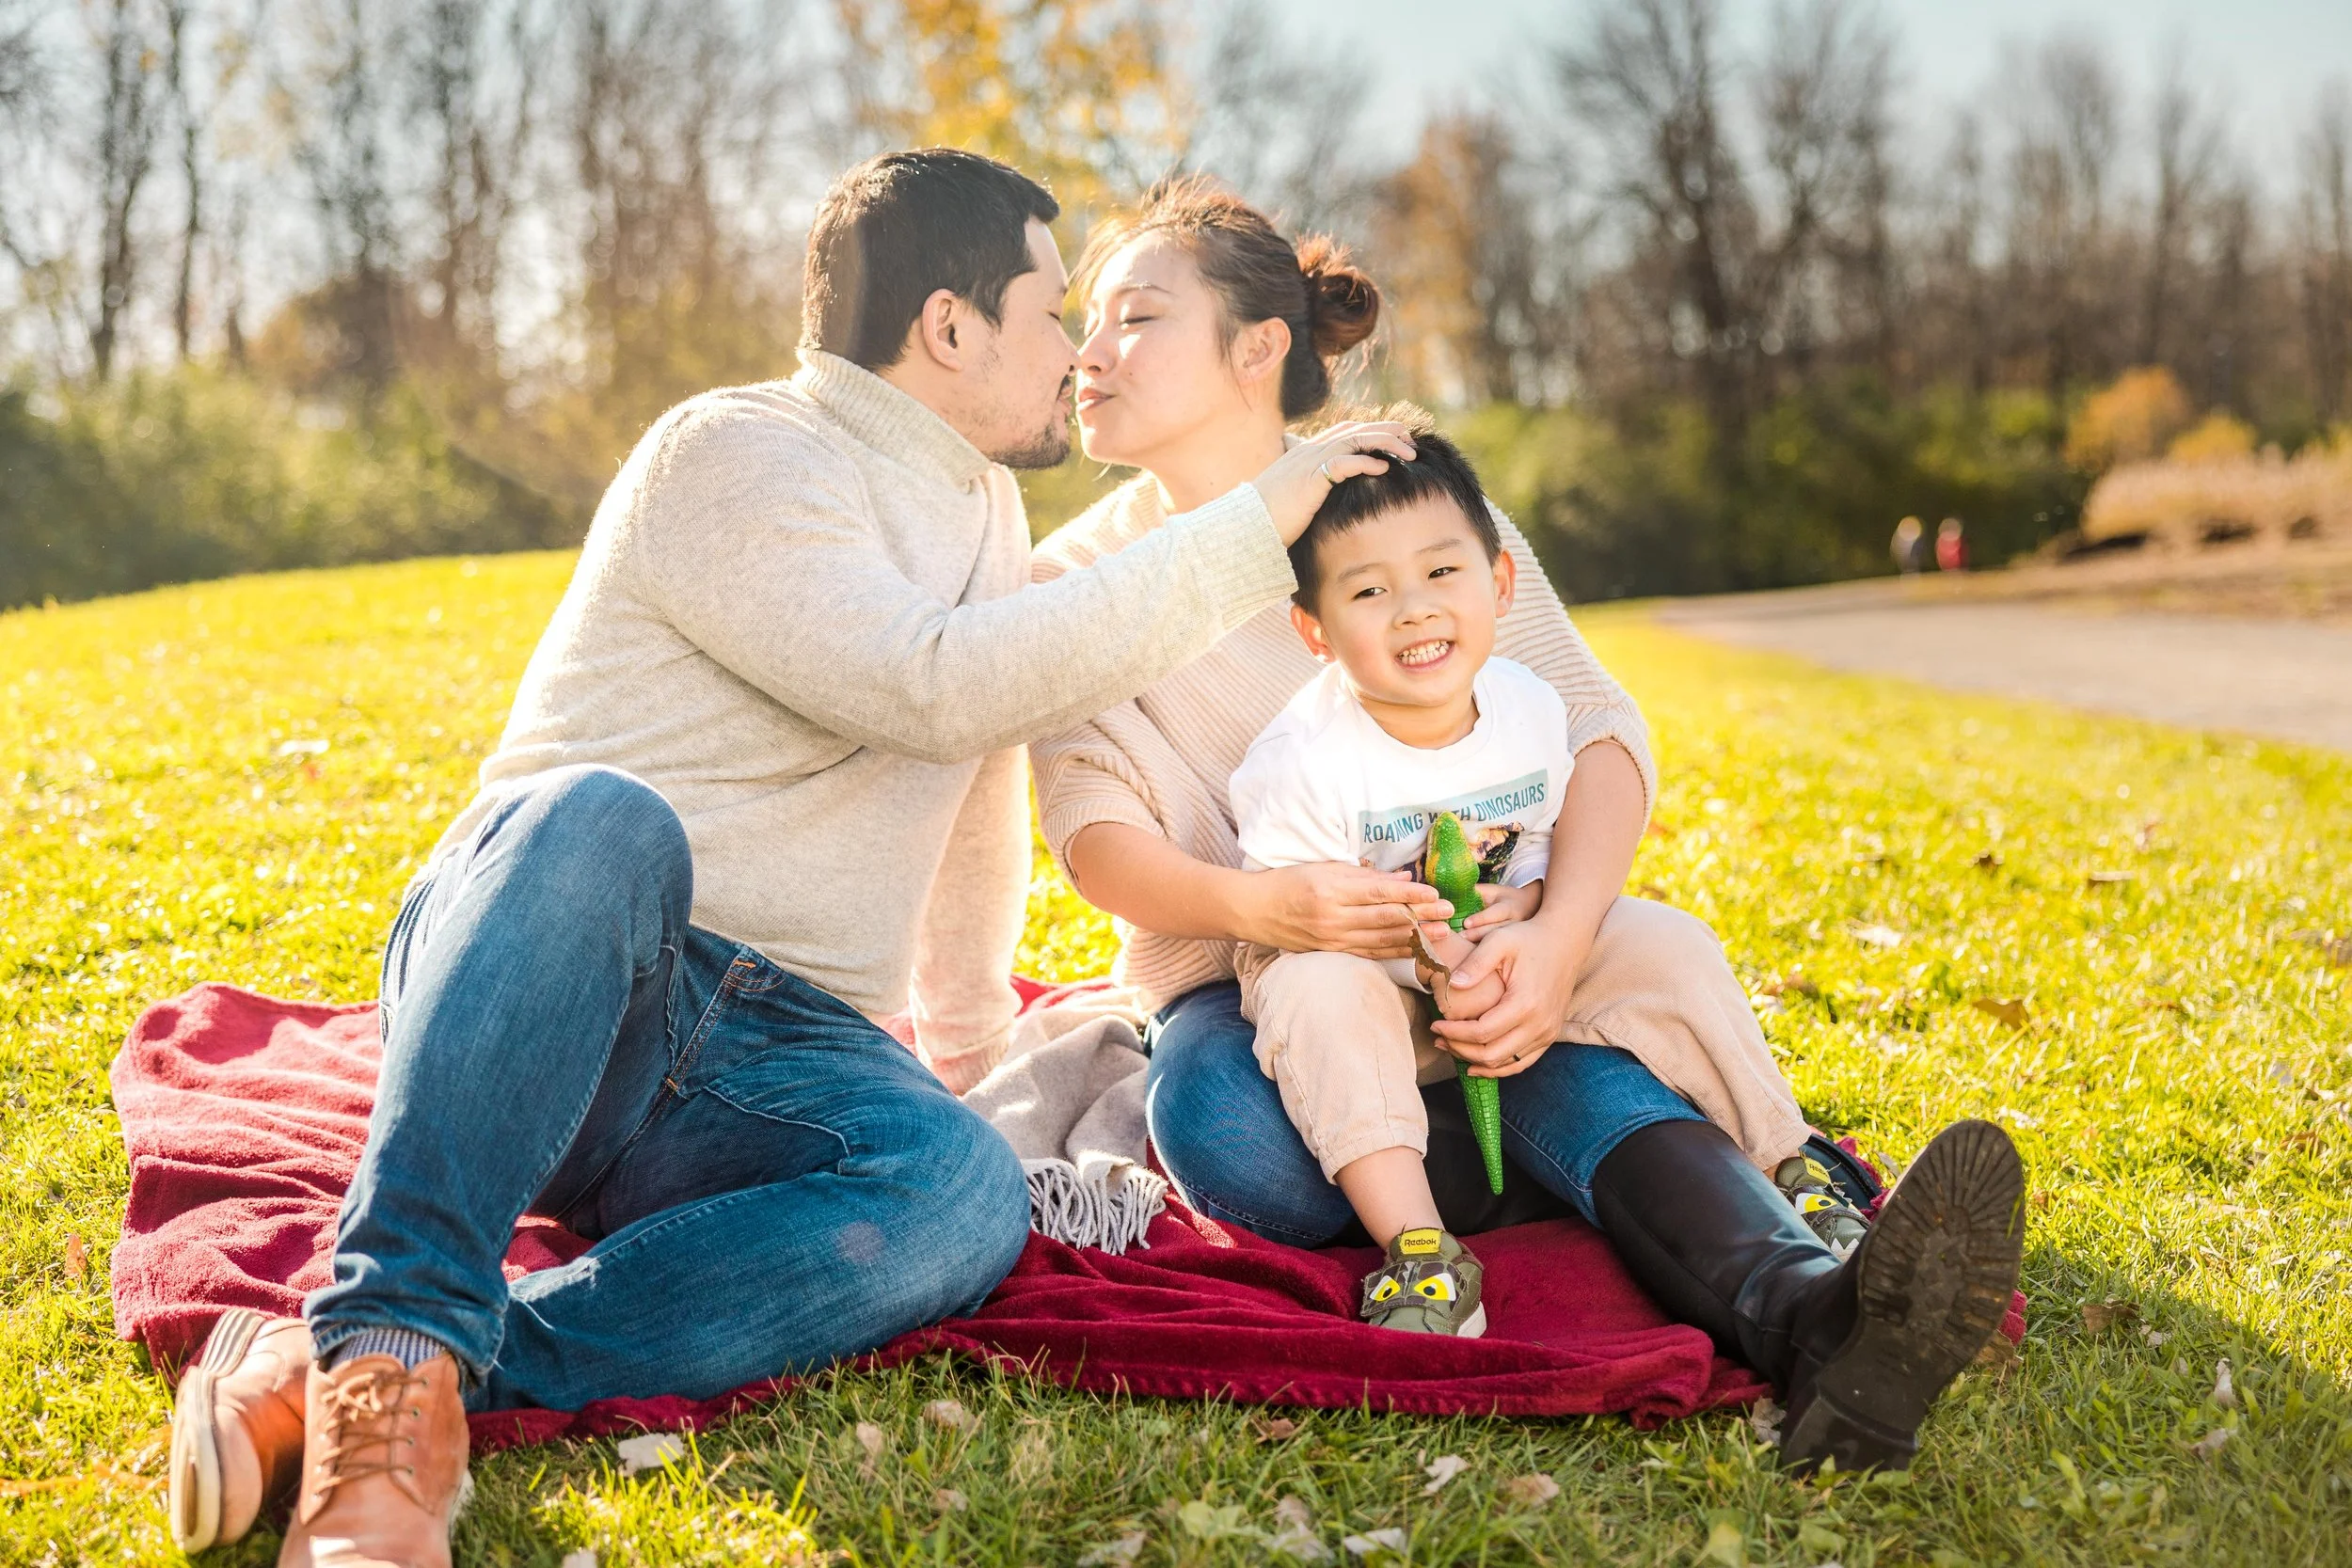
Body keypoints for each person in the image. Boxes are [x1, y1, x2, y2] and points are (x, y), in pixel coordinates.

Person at [165, 149, 1417, 1568]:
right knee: (601, 815)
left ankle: (406, 1367)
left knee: (959, 1187)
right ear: (951, 328)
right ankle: (385, 1361)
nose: (1075, 350)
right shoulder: (736, 450)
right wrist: (1263, 522)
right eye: (1051, 309)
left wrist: (960, 1053)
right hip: (569, 981)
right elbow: (929, 683)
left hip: (776, 1057)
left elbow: (971, 774)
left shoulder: (988, 514)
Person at [1033, 177, 2025, 1472]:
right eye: (1083, 324)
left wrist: (1555, 943)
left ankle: (1808, 1309)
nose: (1085, 354)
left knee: (1541, 1011)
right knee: (1222, 1128)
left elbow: (1600, 734)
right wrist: (1264, 907)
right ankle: (1601, 1134)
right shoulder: (1070, 580)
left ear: (1258, 349)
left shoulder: (1408, 492)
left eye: (1134, 318)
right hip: (1263, 974)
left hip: (1493, 940)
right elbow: (1093, 832)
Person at [1229, 427, 1571, 1336]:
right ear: (1315, 630)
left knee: (1661, 938)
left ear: (1499, 583)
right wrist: (1426, 962)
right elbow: (1293, 926)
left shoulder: (1532, 710)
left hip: (1502, 982)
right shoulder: (1303, 763)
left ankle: (1787, 1166)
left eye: (1440, 573)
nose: (1414, 611)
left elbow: (1539, 849)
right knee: (1314, 990)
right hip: (1364, 983)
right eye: (1370, 591)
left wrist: (1531, 909)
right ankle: (1422, 1251)